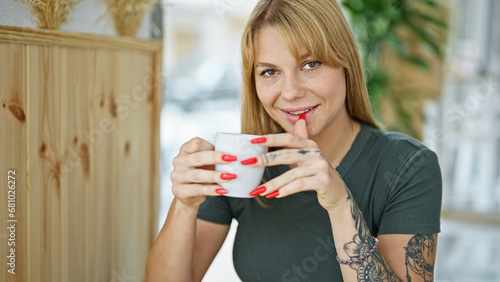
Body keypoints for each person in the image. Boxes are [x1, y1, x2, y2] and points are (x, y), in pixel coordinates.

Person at [146, 0, 442, 281]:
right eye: (270, 72)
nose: (290, 92)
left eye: (310, 64)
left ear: (345, 63)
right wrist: (184, 205)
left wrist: (340, 205)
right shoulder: (242, 163)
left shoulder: (408, 166)